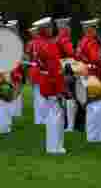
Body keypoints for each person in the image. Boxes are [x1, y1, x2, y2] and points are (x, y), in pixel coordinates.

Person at [33, 17, 65, 154]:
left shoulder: (37, 43)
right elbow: (54, 68)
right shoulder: (48, 45)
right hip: (52, 83)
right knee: (55, 115)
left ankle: (52, 146)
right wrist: (60, 88)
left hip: (44, 80)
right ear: (44, 29)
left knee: (52, 114)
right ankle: (54, 147)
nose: (52, 29)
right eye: (49, 27)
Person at [77, 18, 101, 143]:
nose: (96, 31)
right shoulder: (92, 42)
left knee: (91, 107)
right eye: (94, 29)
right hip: (93, 74)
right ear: (90, 29)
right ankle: (95, 137)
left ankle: (92, 135)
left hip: (85, 73)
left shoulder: (82, 41)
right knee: (97, 107)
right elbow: (95, 58)